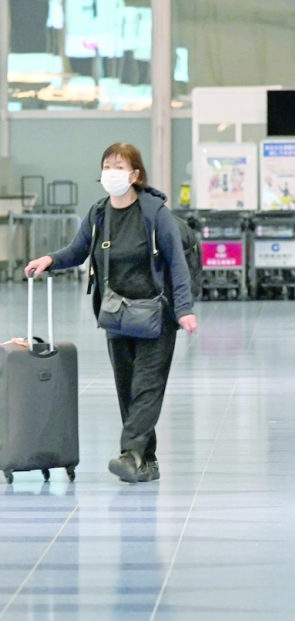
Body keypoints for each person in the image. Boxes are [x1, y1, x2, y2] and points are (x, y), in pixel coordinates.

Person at [25, 142, 198, 484]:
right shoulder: (99, 214)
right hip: (117, 315)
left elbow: (177, 264)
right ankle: (146, 461)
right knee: (127, 389)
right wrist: (50, 260)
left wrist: (184, 310)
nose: (111, 173)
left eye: (119, 167)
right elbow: (77, 250)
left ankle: (130, 453)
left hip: (157, 316)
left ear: (135, 175)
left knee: (148, 386)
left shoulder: (155, 214)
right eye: (107, 165)